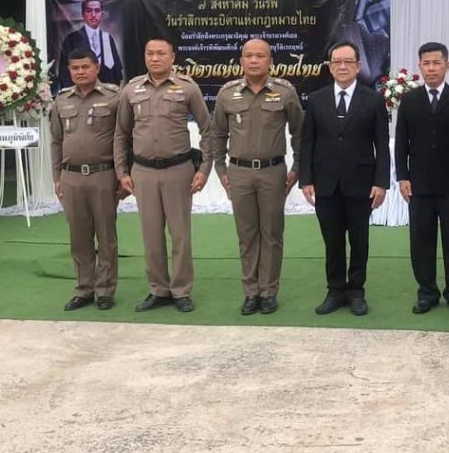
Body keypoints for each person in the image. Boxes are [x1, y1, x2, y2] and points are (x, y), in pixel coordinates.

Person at [113, 36, 211, 313]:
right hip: (143, 172)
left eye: (161, 53)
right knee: (151, 235)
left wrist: (204, 169)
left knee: (180, 235)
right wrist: (122, 171)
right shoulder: (131, 89)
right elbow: (121, 133)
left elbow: (208, 130)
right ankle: (158, 289)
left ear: (172, 57)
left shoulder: (187, 87)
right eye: (150, 53)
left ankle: (181, 290)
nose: (155, 58)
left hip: (179, 170)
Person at [210, 38, 303, 316]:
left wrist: (297, 167)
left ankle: (269, 291)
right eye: (248, 55)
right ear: (241, 61)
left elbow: (299, 132)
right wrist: (221, 170)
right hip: (238, 173)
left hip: (273, 172)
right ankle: (251, 292)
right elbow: (217, 134)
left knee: (272, 233)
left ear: (270, 61)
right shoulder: (227, 94)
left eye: (260, 56)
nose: (253, 60)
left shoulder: (285, 92)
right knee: (247, 234)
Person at [300, 40, 390, 317]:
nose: (342, 67)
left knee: (360, 241)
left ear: (358, 66)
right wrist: (306, 179)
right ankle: (335, 290)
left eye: (348, 62)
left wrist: (381, 183)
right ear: (329, 67)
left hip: (361, 184)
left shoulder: (373, 99)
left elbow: (382, 144)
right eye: (336, 62)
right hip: (325, 184)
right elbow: (308, 142)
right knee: (333, 241)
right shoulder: (316, 100)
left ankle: (356, 291)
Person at [395, 42, 449, 315]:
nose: (431, 68)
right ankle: (427, 293)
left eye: (436, 63)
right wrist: (403, 176)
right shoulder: (409, 100)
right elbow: (401, 143)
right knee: (421, 241)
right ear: (419, 66)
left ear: (447, 65)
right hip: (418, 184)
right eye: (426, 64)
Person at [50, 48, 122, 311]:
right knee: (79, 236)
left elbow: (124, 137)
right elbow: (56, 141)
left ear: (97, 68)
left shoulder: (114, 97)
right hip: (71, 177)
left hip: (103, 175)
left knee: (106, 235)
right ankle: (84, 289)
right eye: (75, 68)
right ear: (69, 70)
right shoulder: (62, 100)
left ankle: (105, 290)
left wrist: (122, 174)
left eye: (85, 67)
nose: (80, 72)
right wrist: (57, 177)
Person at [58, 0, 124, 88]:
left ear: (101, 14)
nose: (93, 15)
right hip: (82, 92)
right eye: (89, 11)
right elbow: (65, 73)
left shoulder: (108, 38)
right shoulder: (71, 39)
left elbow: (116, 72)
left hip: (106, 92)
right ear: (83, 14)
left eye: (97, 11)